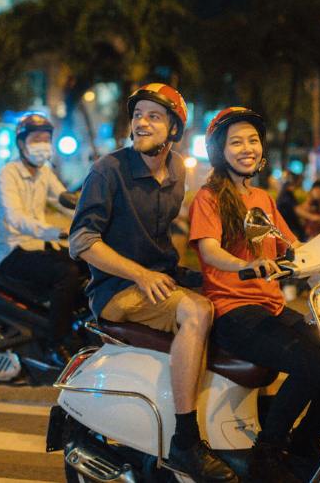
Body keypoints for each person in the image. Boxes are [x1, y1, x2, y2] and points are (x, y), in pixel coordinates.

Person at [69, 83, 237, 482]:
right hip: (117, 290)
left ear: (174, 130)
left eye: (154, 116)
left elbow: (170, 232)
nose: (142, 122)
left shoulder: (178, 169)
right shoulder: (108, 170)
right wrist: (140, 273)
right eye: (138, 115)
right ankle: (186, 440)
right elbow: (81, 241)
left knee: (235, 300)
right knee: (197, 311)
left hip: (162, 277)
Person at [188, 107, 320, 482]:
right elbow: (209, 249)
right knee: (309, 363)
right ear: (220, 151)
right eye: (236, 142)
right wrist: (243, 266)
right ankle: (267, 453)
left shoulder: (263, 199)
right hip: (234, 312)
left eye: (252, 140)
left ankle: (303, 444)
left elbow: (291, 245)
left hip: (270, 306)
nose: (247, 148)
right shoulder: (209, 197)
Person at [0, 113, 86, 361]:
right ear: (22, 144)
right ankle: (56, 343)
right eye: (36, 139)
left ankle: (81, 330)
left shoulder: (44, 173)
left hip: (37, 247)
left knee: (87, 263)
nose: (43, 144)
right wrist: (57, 231)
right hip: (12, 251)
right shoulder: (7, 175)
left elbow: (64, 199)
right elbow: (16, 218)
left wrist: (93, 213)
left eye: (46, 139)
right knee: (67, 273)